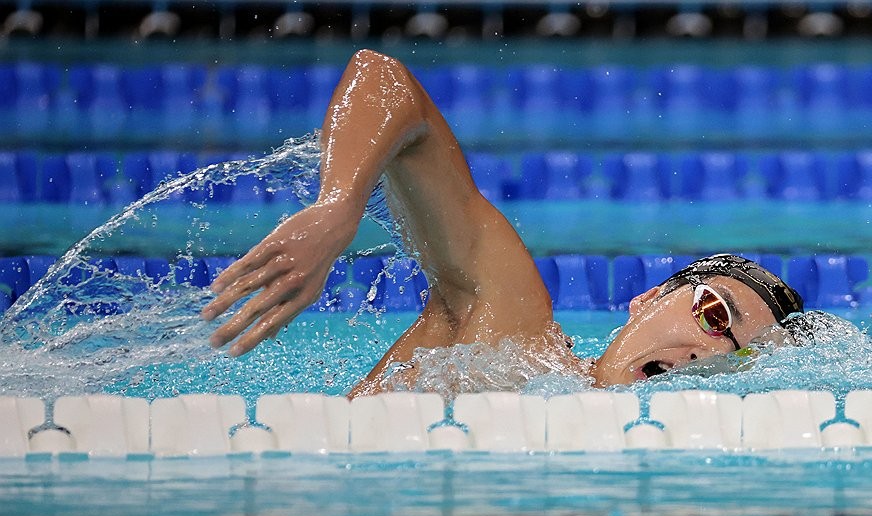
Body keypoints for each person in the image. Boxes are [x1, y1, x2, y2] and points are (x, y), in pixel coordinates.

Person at [200, 49, 817, 396]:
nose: (708, 352)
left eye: (737, 358)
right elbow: (385, 80)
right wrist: (338, 206)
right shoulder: (512, 336)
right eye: (715, 315)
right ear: (649, 298)